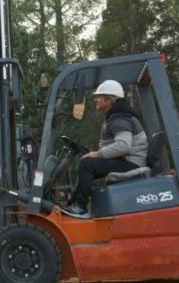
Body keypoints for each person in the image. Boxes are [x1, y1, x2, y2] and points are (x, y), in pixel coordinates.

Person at [63, 80, 147, 218]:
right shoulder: (118, 115)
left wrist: (98, 154)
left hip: (131, 163)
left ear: (108, 99)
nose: (95, 99)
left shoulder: (120, 118)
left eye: (99, 97)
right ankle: (73, 204)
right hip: (128, 160)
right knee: (88, 164)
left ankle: (80, 207)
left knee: (87, 164)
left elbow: (123, 146)